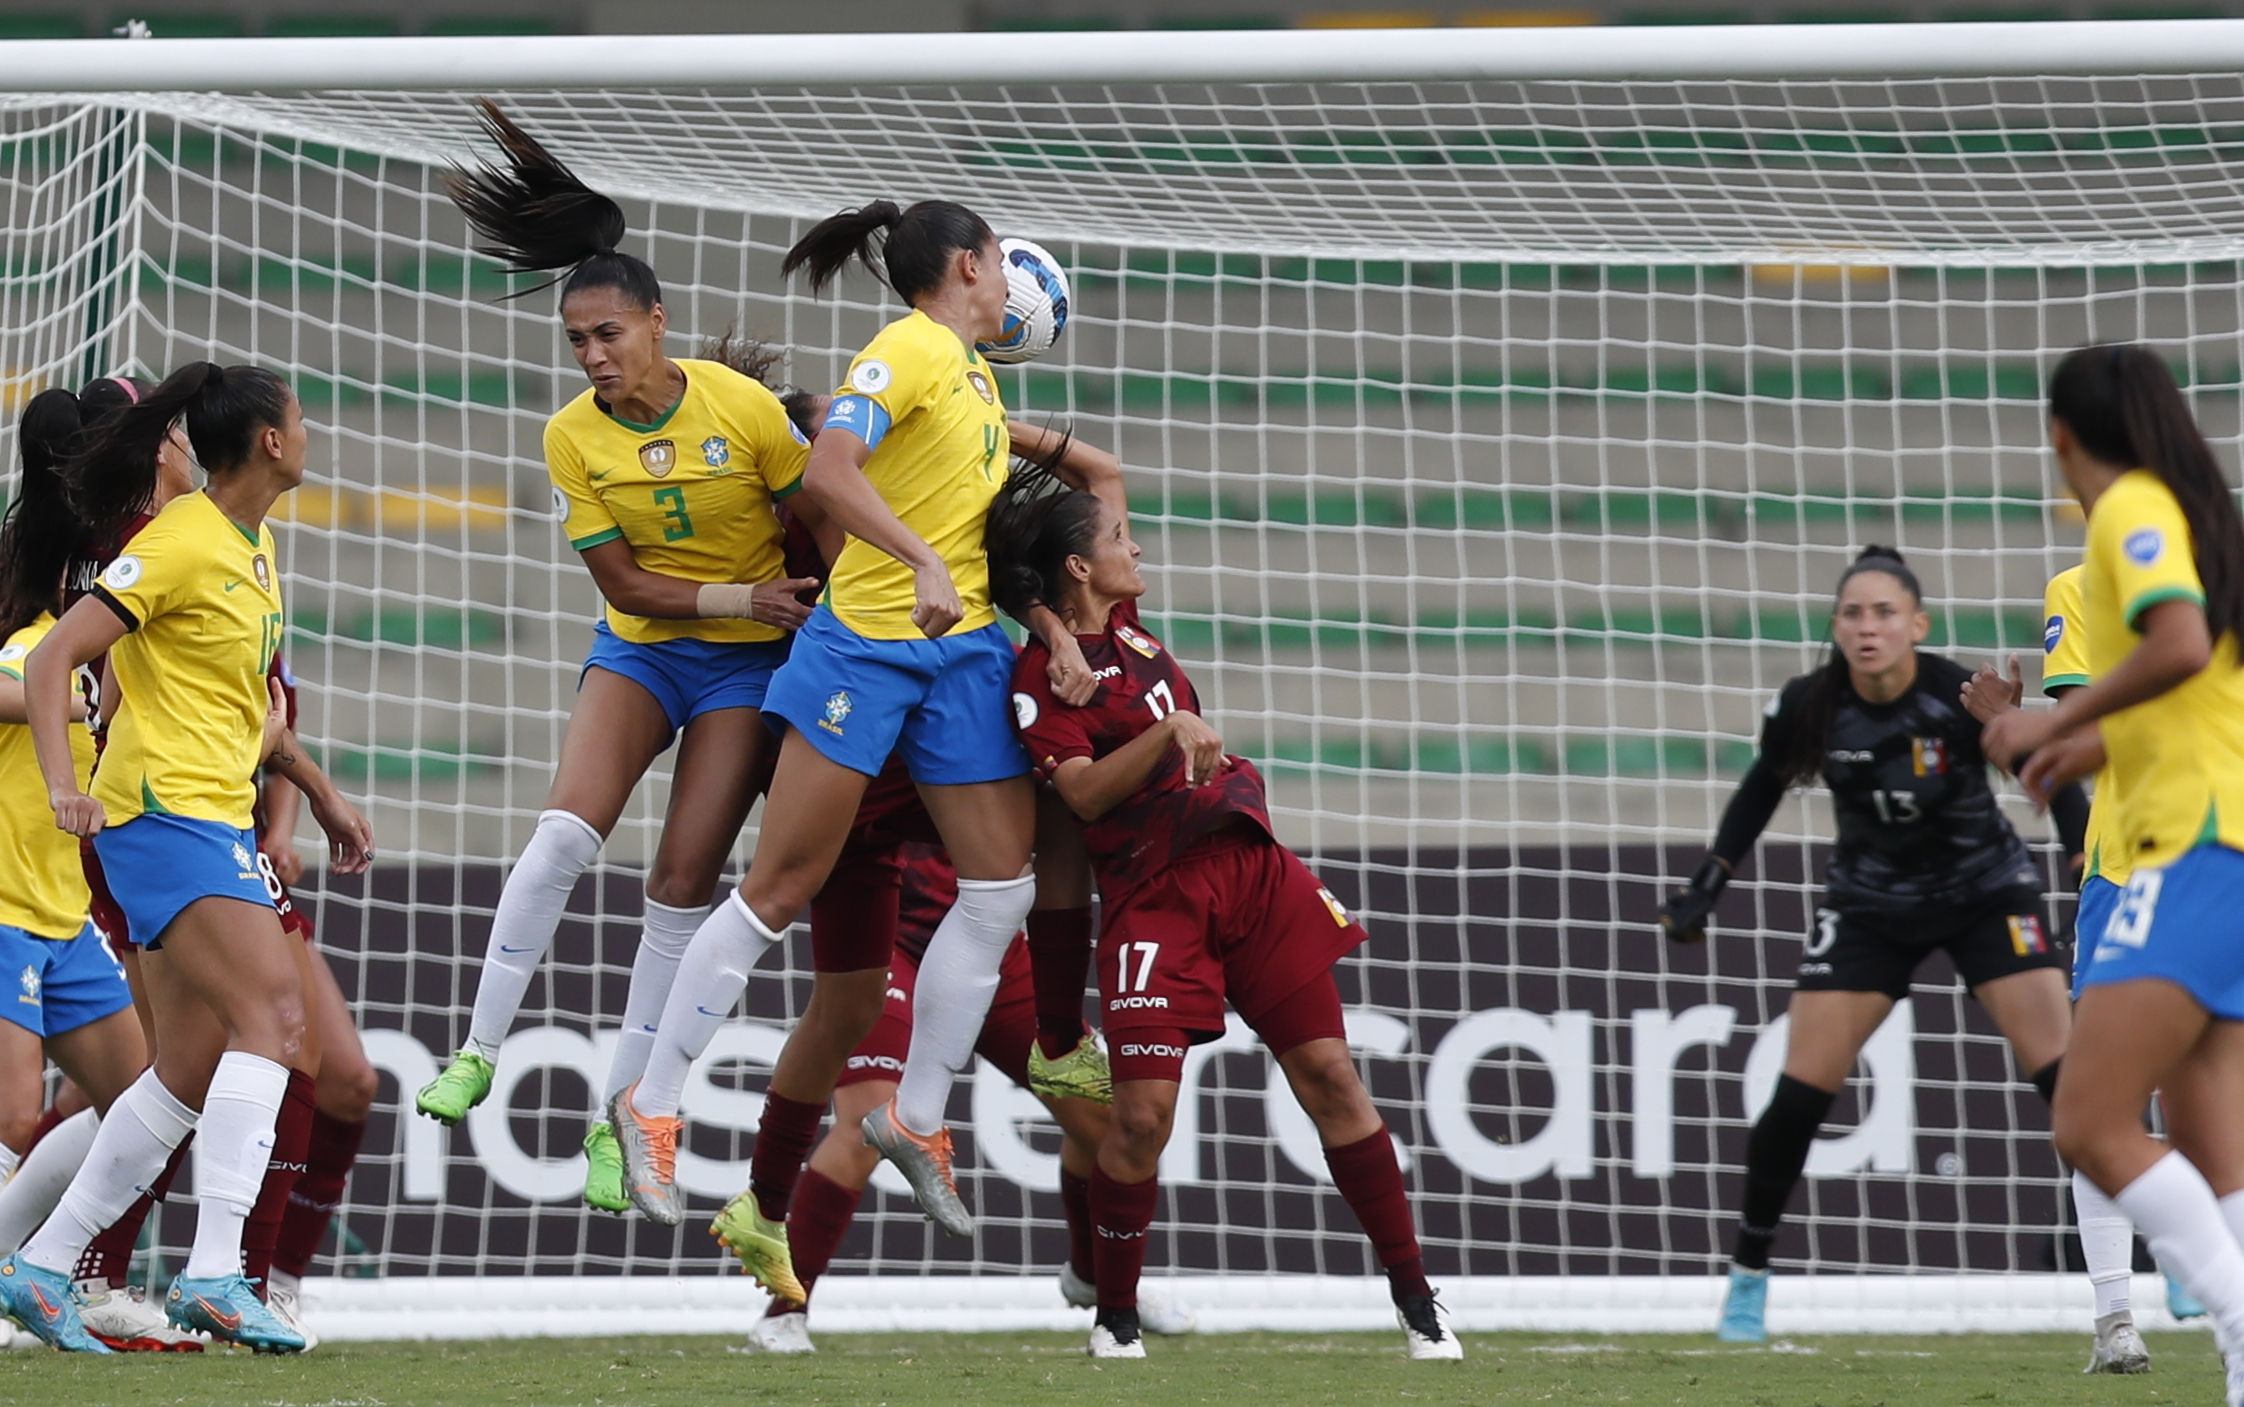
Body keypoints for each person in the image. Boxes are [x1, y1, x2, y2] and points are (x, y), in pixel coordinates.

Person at [614, 199, 1101, 1240]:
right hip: (869, 650)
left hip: (962, 653)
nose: (1006, 279)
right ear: (971, 264)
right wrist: (918, 561)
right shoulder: (907, 348)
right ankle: (650, 1101)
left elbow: (970, 535)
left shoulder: (974, 378)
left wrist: (1051, 631)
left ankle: (916, 1119)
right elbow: (830, 471)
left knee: (999, 886)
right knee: (777, 890)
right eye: (997, 259)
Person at [413, 102, 827, 1224]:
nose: (594, 358)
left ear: (656, 322)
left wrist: (828, 612)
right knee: (560, 835)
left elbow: (820, 522)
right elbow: (627, 589)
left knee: (683, 885)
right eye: (577, 343)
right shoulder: (571, 436)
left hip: (746, 671)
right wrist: (750, 593)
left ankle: (622, 1114)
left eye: (609, 335)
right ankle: (479, 1048)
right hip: (646, 648)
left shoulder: (742, 409)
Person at [990, 441, 1460, 1362]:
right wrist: (1168, 729)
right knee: (1139, 1120)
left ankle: (1419, 1302)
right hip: (1152, 901)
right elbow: (1081, 797)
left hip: (1250, 867)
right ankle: (1116, 1319)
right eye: (1121, 538)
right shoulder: (1040, 680)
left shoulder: (1120, 621)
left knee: (1332, 1077)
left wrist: (989, 415)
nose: (1138, 545)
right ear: (1079, 565)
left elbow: (1101, 468)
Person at [0, 363, 373, 1354]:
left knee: (185, 1069)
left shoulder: (253, 546)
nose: (307, 428)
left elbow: (248, 710)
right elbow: (50, 659)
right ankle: (214, 1274)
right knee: (278, 1021)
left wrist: (321, 801)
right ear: (270, 444)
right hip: (166, 817)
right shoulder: (178, 543)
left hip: (208, 817)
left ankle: (43, 1266)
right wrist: (64, 783)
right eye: (299, 417)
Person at [1658, 546, 2078, 1343]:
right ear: (1836, 627)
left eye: (1884, 612)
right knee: (1798, 1094)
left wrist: (2084, 859)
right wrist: (1710, 880)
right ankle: (1747, 1277)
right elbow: (1761, 784)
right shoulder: (1811, 705)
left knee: (2073, 1082)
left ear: (1916, 624)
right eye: (1852, 613)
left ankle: (2160, 1253)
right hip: (1870, 904)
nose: (1866, 626)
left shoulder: (1962, 697)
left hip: (1984, 892)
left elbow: (2050, 771)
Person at [1983, 344, 2244, 1406]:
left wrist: (2061, 715)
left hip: (2181, 849)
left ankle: (2235, 1322)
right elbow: (2197, 693)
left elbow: (2177, 646)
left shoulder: (2130, 509)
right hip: (2220, 843)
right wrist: (2079, 746)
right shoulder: (2206, 527)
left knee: (2089, 1121)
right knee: (2214, 1151)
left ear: (2059, 433)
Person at [738, 819, 1192, 1353]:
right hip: (891, 946)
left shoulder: (1031, 740)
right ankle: (783, 1312)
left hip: (992, 949)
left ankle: (1096, 1279)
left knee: (1112, 1121)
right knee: (868, 1121)